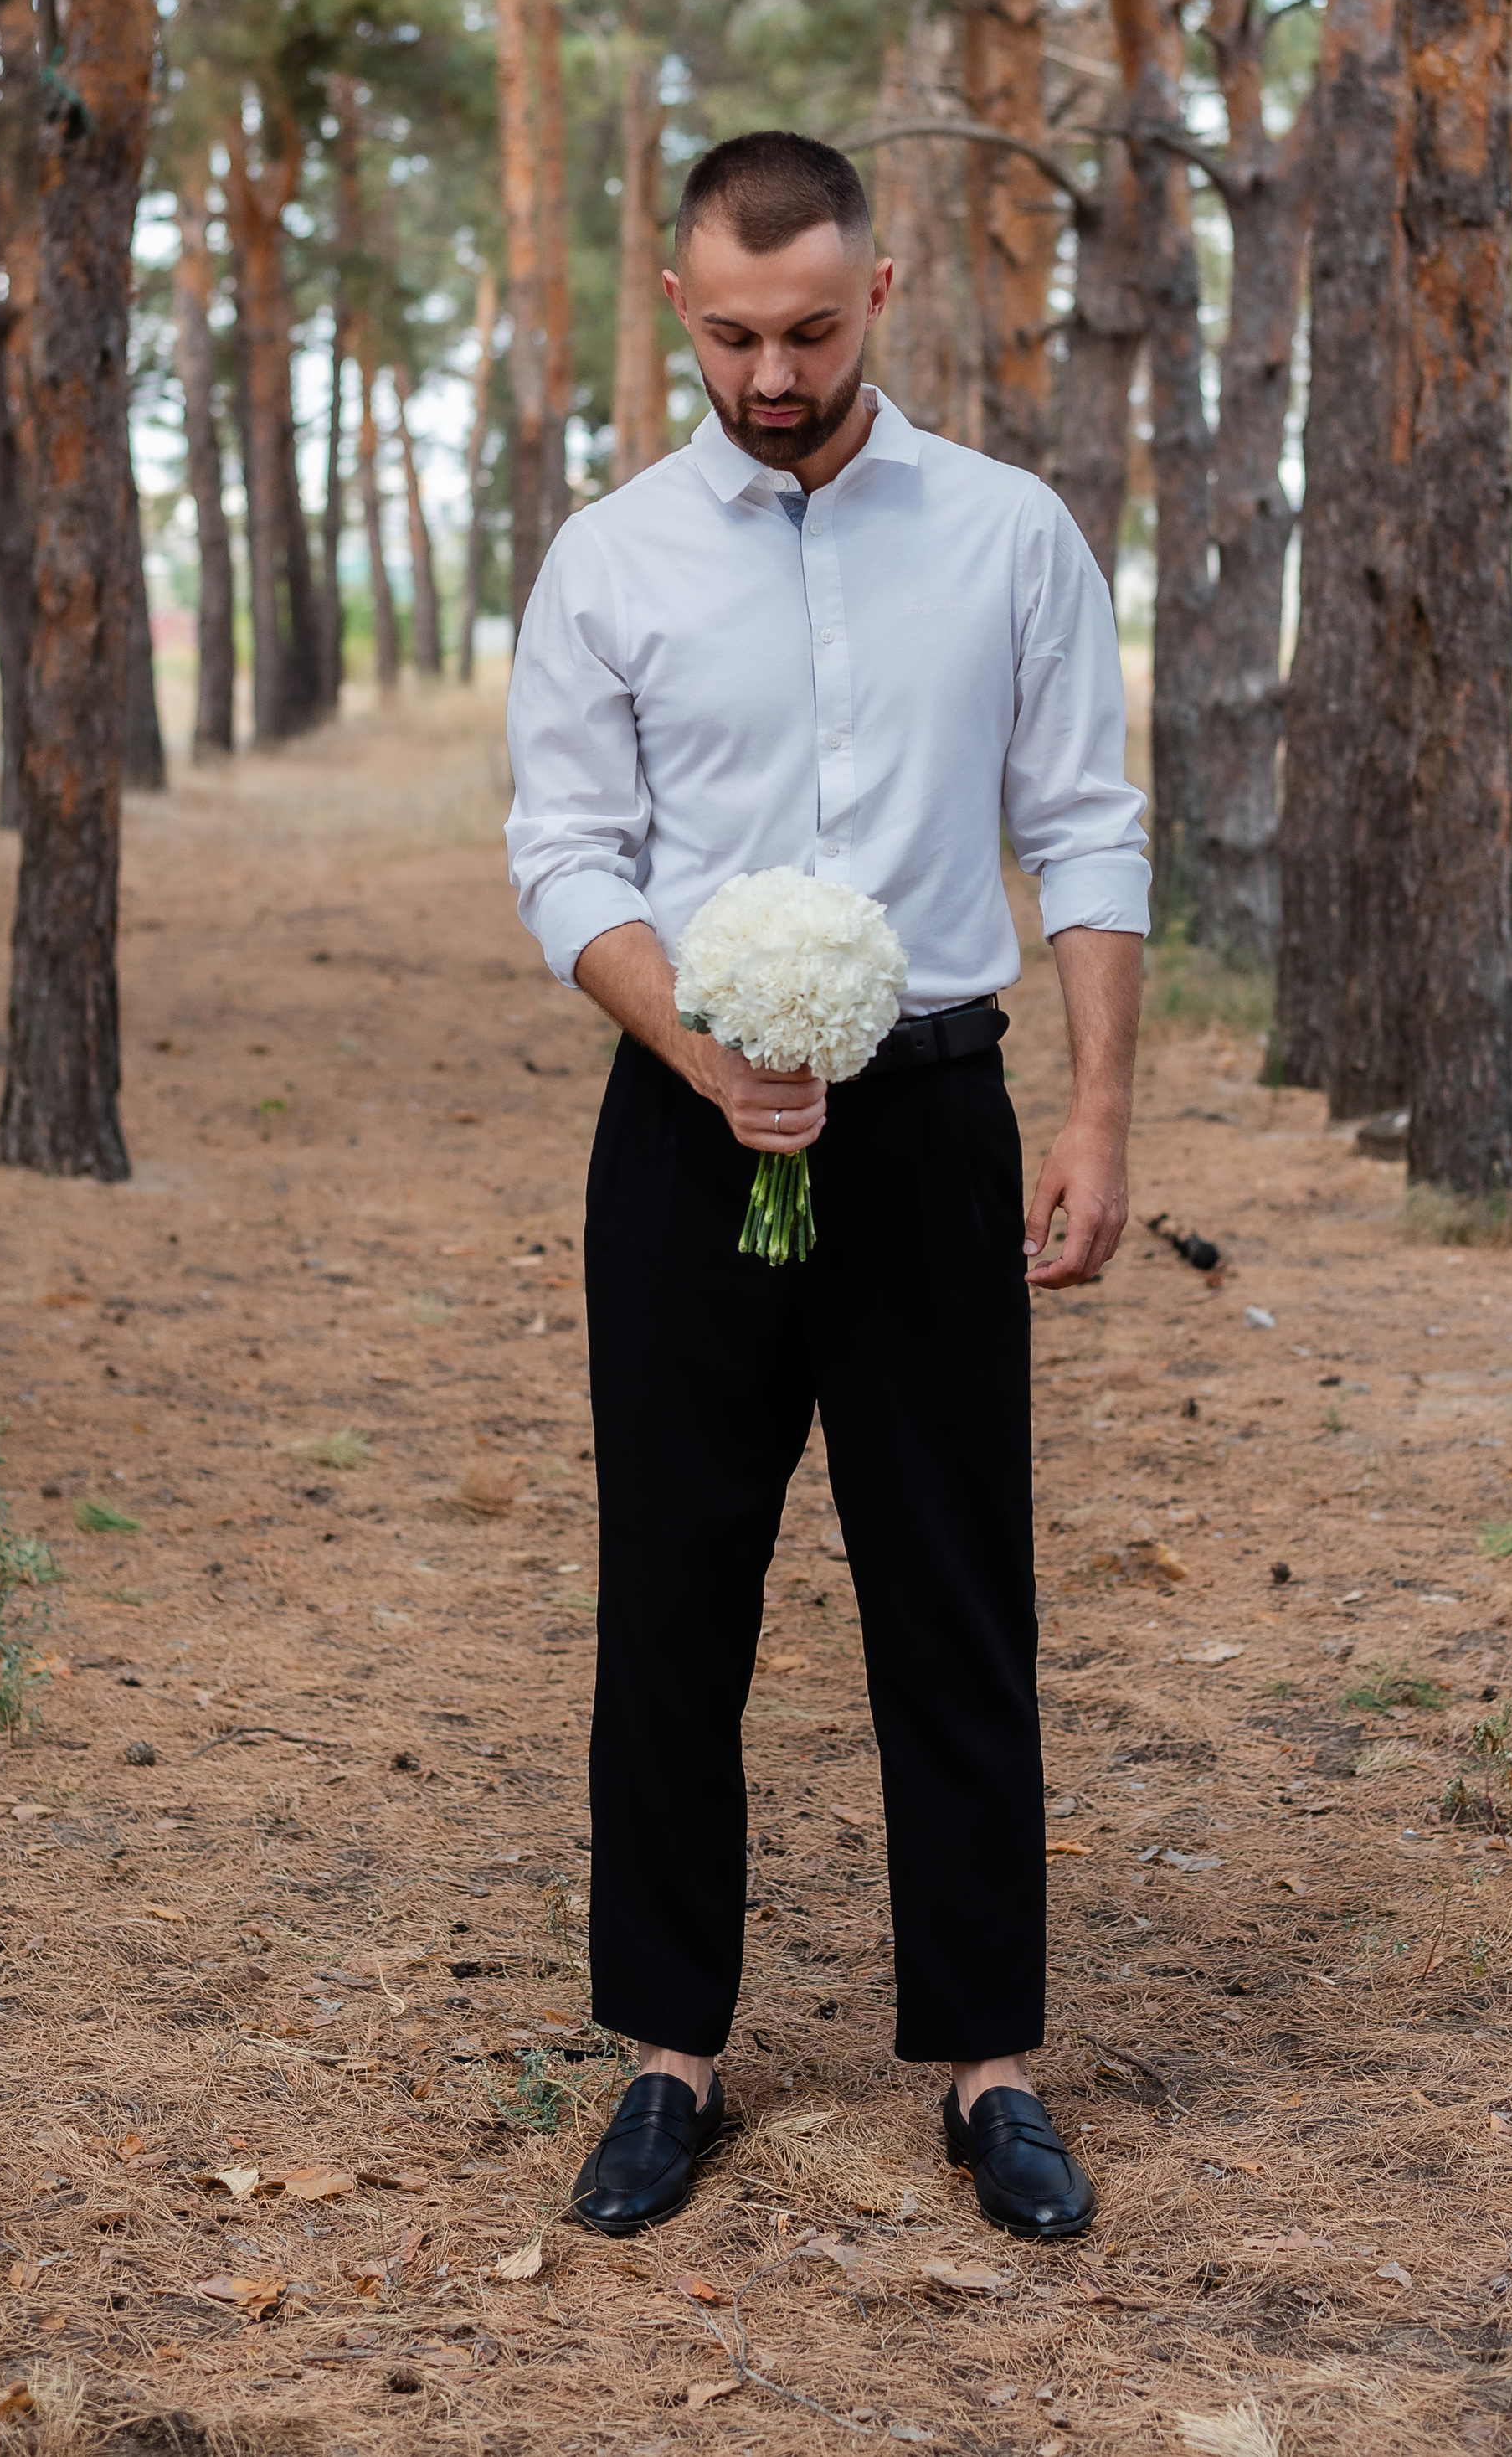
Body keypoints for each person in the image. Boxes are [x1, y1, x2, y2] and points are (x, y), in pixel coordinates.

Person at [505, 129, 1149, 2242]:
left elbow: (1086, 825)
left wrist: (1096, 1115)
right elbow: (566, 858)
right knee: (673, 1596)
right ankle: (667, 2057)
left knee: (954, 1598)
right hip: (682, 1138)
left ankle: (989, 2069)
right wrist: (697, 1055)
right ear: (675, 307)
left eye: (806, 327)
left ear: (881, 295)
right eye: (729, 332)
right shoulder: (607, 556)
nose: (768, 372)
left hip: (934, 1124)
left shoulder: (1006, 533)